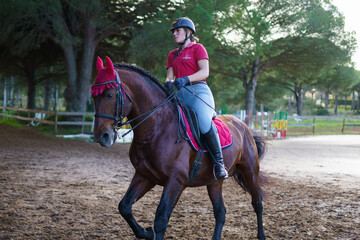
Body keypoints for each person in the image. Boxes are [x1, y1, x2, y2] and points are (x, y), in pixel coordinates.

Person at [165, 17, 228, 180]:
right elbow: (170, 76)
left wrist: (186, 79)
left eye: (177, 31)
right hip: (180, 94)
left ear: (188, 32)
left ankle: (219, 164)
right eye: (173, 31)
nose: (174, 34)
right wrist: (167, 84)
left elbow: (204, 72)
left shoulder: (198, 48)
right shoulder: (172, 54)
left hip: (199, 92)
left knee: (202, 121)